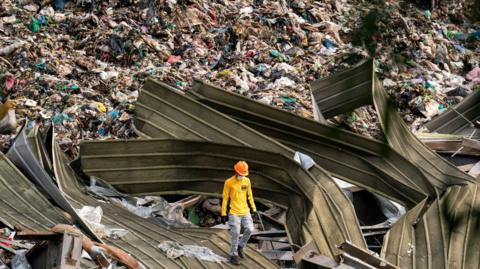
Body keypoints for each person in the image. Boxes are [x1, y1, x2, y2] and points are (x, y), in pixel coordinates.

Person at [221, 161, 257, 265]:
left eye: (244, 174)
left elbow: (250, 195)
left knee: (250, 229)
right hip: (234, 212)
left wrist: (253, 208)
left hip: (245, 210)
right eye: (241, 174)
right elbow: (225, 199)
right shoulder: (228, 182)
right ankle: (233, 255)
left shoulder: (247, 181)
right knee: (235, 233)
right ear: (236, 172)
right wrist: (223, 213)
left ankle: (241, 246)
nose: (242, 176)